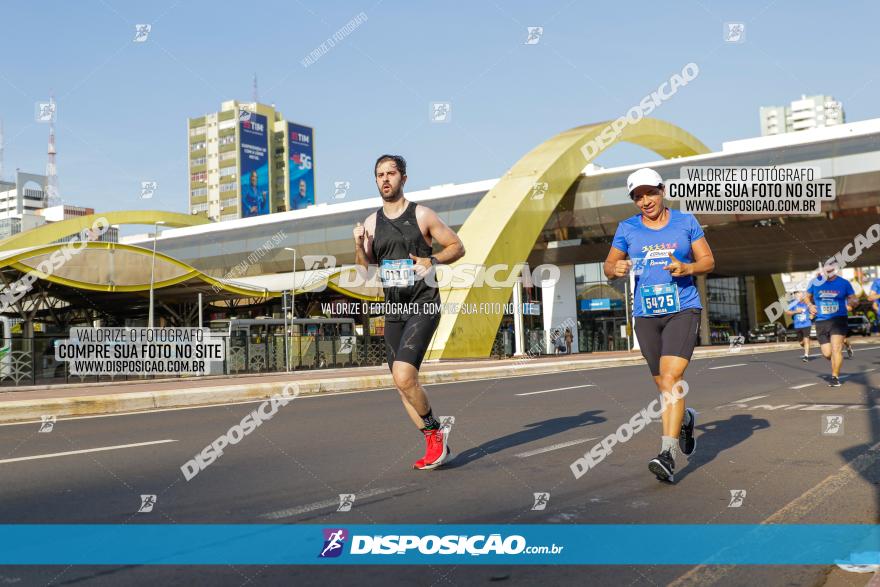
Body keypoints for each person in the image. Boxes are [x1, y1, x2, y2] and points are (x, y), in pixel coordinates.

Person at [603, 168, 715, 483]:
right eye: (638, 196)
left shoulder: (686, 222)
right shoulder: (627, 228)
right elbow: (609, 266)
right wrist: (617, 267)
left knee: (671, 377)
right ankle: (686, 419)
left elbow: (708, 261)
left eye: (650, 193)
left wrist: (688, 266)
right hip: (647, 313)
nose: (645, 201)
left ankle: (667, 454)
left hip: (683, 308)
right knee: (664, 386)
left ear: (661, 191)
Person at [353, 154, 465, 470]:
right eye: (379, 175)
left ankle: (436, 430)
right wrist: (360, 246)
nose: (385, 179)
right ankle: (433, 439)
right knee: (401, 384)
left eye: (391, 173)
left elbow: (458, 246)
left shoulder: (423, 215)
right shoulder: (372, 223)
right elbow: (365, 271)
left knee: (405, 374)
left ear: (404, 178)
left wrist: (434, 261)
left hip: (423, 303)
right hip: (394, 309)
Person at [805, 265, 858, 387]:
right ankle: (844, 346)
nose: (829, 272)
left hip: (838, 319)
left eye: (831, 270)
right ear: (823, 270)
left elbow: (853, 299)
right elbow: (806, 297)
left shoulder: (844, 283)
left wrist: (853, 302)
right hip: (821, 320)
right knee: (827, 353)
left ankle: (835, 377)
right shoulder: (815, 282)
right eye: (826, 270)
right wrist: (810, 306)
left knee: (836, 349)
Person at [785, 291, 814, 362]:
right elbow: (787, 312)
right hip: (797, 325)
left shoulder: (807, 303)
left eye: (799, 296)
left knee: (806, 339)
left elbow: (813, 311)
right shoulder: (793, 304)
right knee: (801, 342)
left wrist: (812, 315)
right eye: (796, 296)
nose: (798, 297)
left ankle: (806, 355)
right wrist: (796, 311)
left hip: (807, 324)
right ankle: (805, 347)